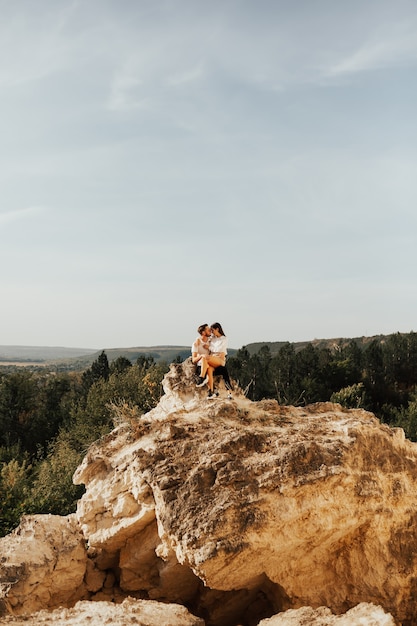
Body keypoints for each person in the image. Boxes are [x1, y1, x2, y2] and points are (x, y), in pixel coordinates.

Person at [205, 322, 228, 398]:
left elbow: (220, 349)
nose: (212, 332)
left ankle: (201, 378)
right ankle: (211, 391)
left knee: (205, 357)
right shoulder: (212, 339)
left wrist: (210, 348)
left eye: (212, 330)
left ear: (217, 329)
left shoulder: (224, 339)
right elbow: (216, 350)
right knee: (209, 370)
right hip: (213, 359)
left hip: (219, 360)